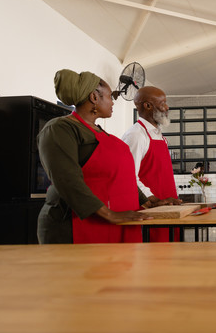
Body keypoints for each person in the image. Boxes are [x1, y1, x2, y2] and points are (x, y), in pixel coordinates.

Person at [37, 69, 151, 244]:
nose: (113, 102)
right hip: (74, 225)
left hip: (114, 224)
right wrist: (109, 214)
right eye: (109, 96)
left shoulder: (101, 132)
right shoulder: (60, 128)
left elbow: (120, 178)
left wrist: (148, 202)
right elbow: (67, 179)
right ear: (94, 97)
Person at [122, 86, 181, 242]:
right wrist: (152, 200)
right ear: (147, 106)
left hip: (167, 209)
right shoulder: (136, 135)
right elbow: (129, 177)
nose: (167, 107)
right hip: (151, 210)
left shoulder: (158, 134)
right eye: (162, 103)